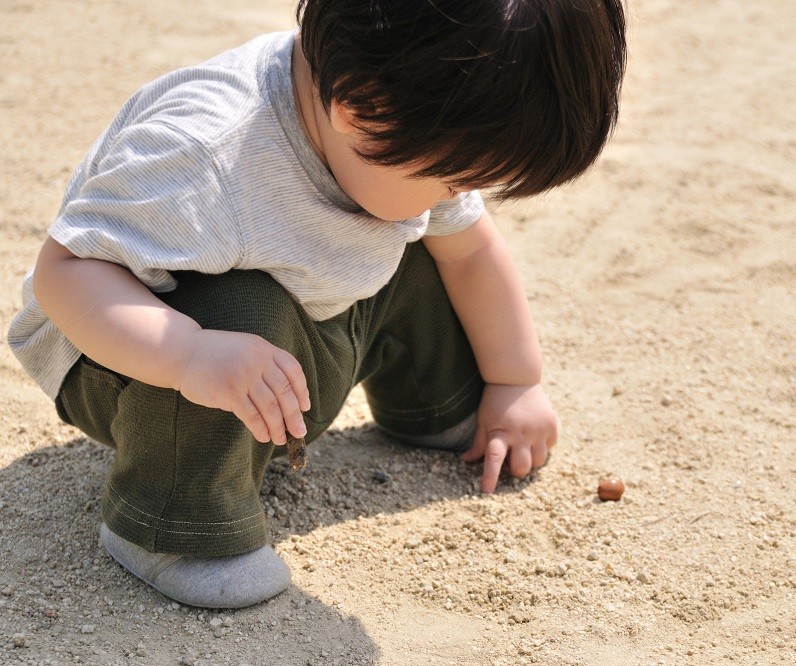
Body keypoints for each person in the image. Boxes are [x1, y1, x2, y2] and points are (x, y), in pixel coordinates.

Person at [7, 0, 626, 608]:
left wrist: (515, 381)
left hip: (298, 334)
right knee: (243, 306)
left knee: (425, 244)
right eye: (456, 177)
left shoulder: (407, 110)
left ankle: (435, 401)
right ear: (362, 110)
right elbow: (66, 272)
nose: (461, 194)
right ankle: (171, 525)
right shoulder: (205, 150)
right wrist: (188, 354)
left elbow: (471, 254)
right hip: (132, 358)